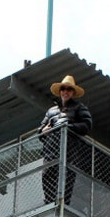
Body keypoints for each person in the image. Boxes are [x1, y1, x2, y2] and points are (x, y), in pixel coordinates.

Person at [38, 75, 93, 205]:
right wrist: (44, 131)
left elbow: (86, 125)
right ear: (60, 91)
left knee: (66, 176)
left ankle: (63, 204)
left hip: (69, 150)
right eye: (63, 88)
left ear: (73, 92)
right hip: (50, 150)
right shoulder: (51, 111)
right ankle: (49, 203)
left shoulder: (79, 108)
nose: (66, 91)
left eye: (69, 89)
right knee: (47, 176)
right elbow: (40, 131)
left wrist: (68, 126)